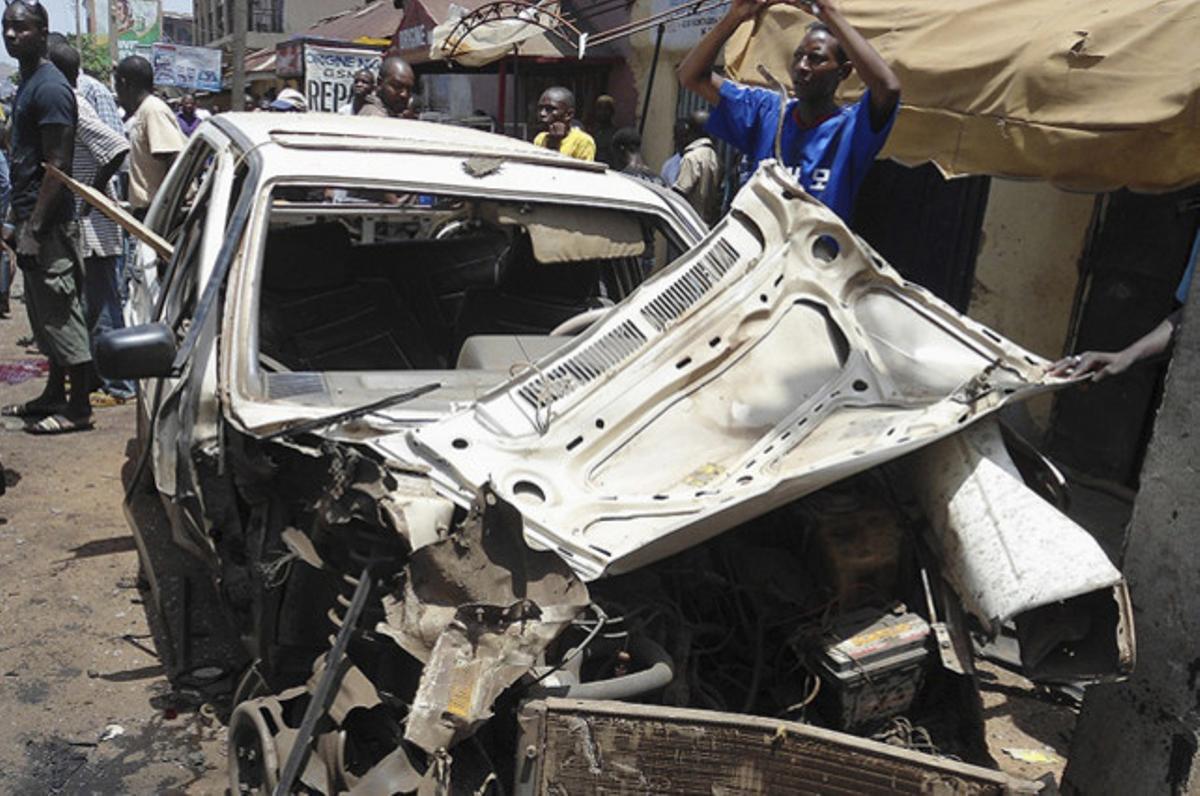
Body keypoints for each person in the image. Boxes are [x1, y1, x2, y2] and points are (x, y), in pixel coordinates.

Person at [678, 0, 901, 222]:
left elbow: (888, 88)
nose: (802, 66)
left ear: (843, 72)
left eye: (816, 59)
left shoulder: (851, 129)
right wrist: (734, 17)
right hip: (760, 254)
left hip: (814, 255)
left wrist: (827, 12)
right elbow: (691, 76)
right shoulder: (767, 112)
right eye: (799, 56)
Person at [0, 0, 93, 433]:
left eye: (21, 27)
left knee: (62, 313)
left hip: (50, 224)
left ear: (42, 31)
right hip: (30, 219)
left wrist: (34, 229)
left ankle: (77, 408)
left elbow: (58, 165)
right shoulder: (28, 83)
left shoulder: (51, 88)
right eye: (6, 28)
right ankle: (54, 393)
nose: (11, 35)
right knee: (43, 317)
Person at [48, 42, 134, 406]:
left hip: (96, 224)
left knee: (102, 306)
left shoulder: (75, 101)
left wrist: (90, 198)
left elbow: (117, 148)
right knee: (90, 305)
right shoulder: (66, 99)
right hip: (86, 224)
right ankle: (101, 378)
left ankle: (120, 386)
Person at [114, 55, 186, 215]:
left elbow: (173, 159)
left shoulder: (153, 110)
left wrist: (168, 211)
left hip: (158, 212)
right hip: (149, 211)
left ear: (124, 84)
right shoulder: (143, 111)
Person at [673, 109, 723, 225]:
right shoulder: (715, 157)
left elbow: (680, 192)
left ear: (690, 130)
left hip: (689, 225)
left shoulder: (691, 158)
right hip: (707, 225)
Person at [533, 87, 595, 161]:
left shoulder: (583, 141)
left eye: (550, 109)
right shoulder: (540, 138)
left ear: (568, 114)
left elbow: (582, 171)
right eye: (540, 108)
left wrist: (556, 143)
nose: (542, 113)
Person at [589, 94, 618, 167]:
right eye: (599, 108)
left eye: (606, 109)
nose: (602, 112)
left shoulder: (615, 134)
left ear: (612, 112)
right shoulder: (590, 130)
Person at [660, 118, 688, 185]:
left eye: (684, 136)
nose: (681, 141)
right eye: (678, 136)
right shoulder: (669, 166)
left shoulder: (696, 162)